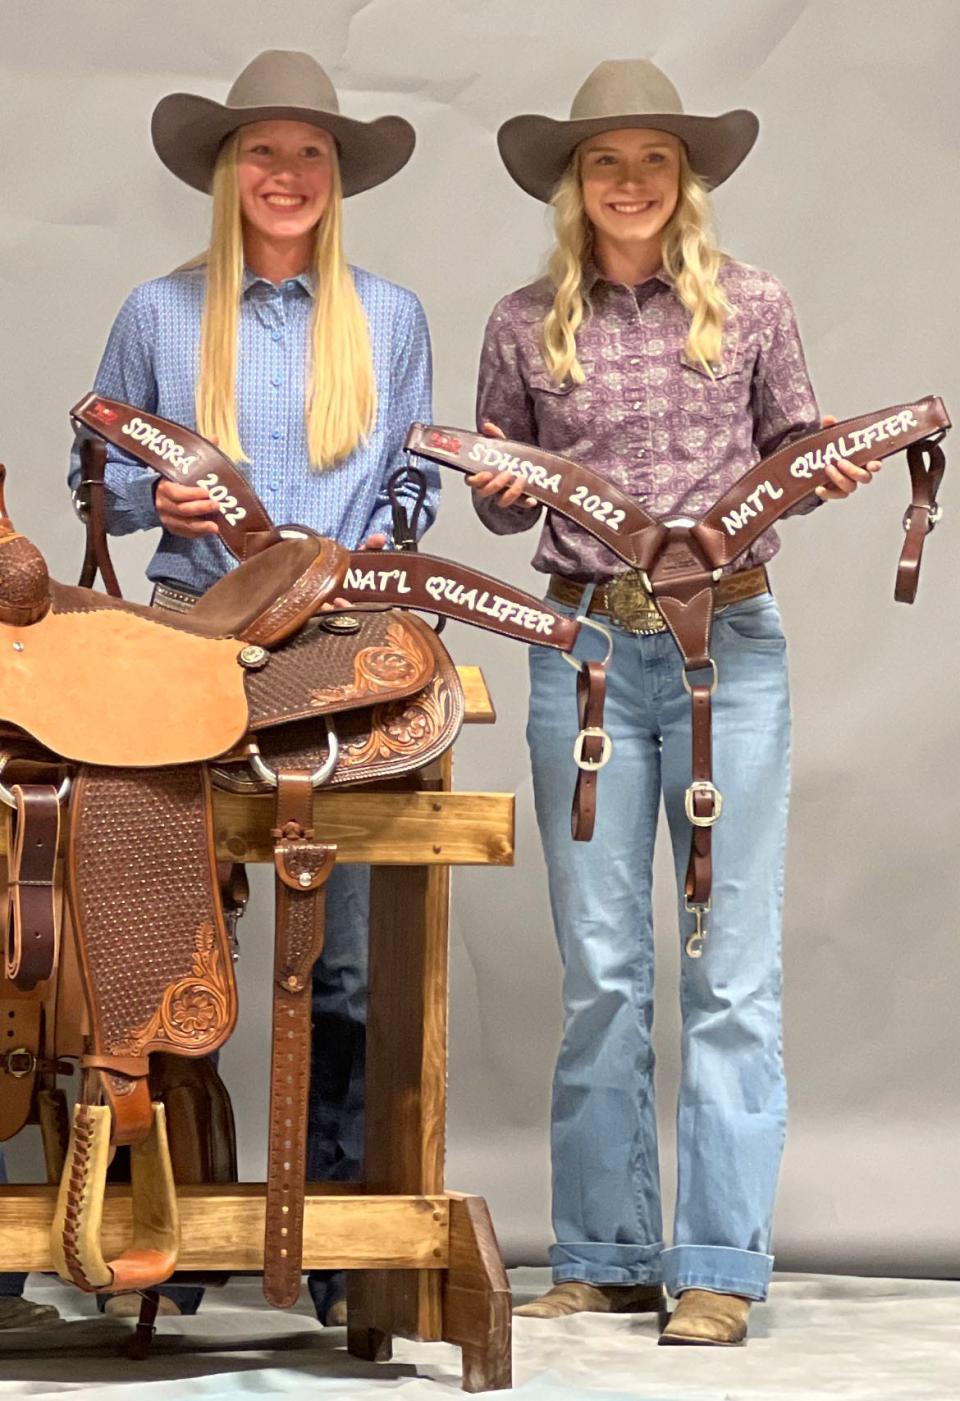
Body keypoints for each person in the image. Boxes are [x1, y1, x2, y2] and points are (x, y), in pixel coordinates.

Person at [468, 59, 879, 1345]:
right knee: (600, 968)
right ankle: (598, 1244)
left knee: (728, 963)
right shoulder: (523, 320)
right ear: (573, 186)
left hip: (728, 649)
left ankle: (715, 1262)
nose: (630, 182)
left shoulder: (753, 305)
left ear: (683, 179)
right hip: (584, 644)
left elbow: (795, 443)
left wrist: (824, 474)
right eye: (606, 163)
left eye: (653, 160)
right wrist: (514, 491)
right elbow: (489, 489)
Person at [64, 49, 437, 1325]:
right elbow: (94, 482)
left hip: (335, 640)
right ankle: (159, 1215)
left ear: (338, 179)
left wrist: (376, 552)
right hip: (185, 626)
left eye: (310, 154)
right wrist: (144, 494)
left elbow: (409, 483)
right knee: (162, 923)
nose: (286, 174)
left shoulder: (388, 320)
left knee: (337, 961)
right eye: (263, 153)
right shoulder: (160, 313)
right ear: (228, 174)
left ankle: (329, 1237)